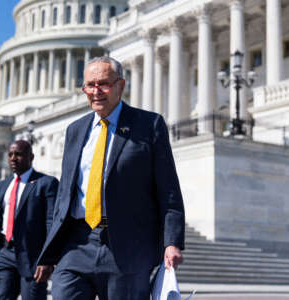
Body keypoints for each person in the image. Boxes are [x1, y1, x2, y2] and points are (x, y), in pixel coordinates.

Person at [36, 56, 185, 299]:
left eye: (103, 84)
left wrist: (172, 241)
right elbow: (66, 193)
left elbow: (168, 188)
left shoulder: (148, 125)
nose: (96, 91)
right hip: (77, 242)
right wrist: (51, 249)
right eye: (89, 85)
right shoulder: (75, 129)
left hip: (127, 246)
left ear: (120, 85)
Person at [0, 140, 58, 300]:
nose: (13, 159)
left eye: (18, 154)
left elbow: (51, 222)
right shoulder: (2, 186)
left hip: (32, 256)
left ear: (31, 156)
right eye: (10, 155)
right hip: (4, 252)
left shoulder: (46, 183)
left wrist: (48, 258)